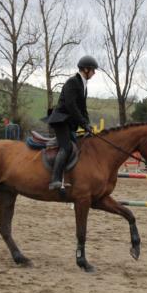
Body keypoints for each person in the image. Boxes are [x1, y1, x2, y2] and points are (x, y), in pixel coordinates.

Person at [46, 55, 98, 191]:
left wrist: (87, 124)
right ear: (86, 69)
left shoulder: (83, 85)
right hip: (60, 120)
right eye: (93, 70)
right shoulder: (72, 82)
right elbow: (71, 106)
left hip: (69, 123)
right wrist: (83, 123)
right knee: (67, 147)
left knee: (78, 146)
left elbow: (82, 108)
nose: (94, 73)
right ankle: (55, 180)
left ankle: (68, 178)